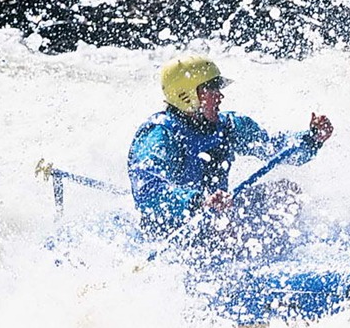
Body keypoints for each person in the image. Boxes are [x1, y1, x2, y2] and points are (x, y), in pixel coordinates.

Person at [127, 55, 333, 245]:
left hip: (218, 215)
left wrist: (312, 139)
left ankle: (274, 254)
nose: (220, 96)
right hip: (178, 228)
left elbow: (274, 149)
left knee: (287, 193)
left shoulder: (229, 126)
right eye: (212, 88)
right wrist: (198, 202)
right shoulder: (159, 135)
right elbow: (147, 192)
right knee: (225, 230)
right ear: (187, 95)